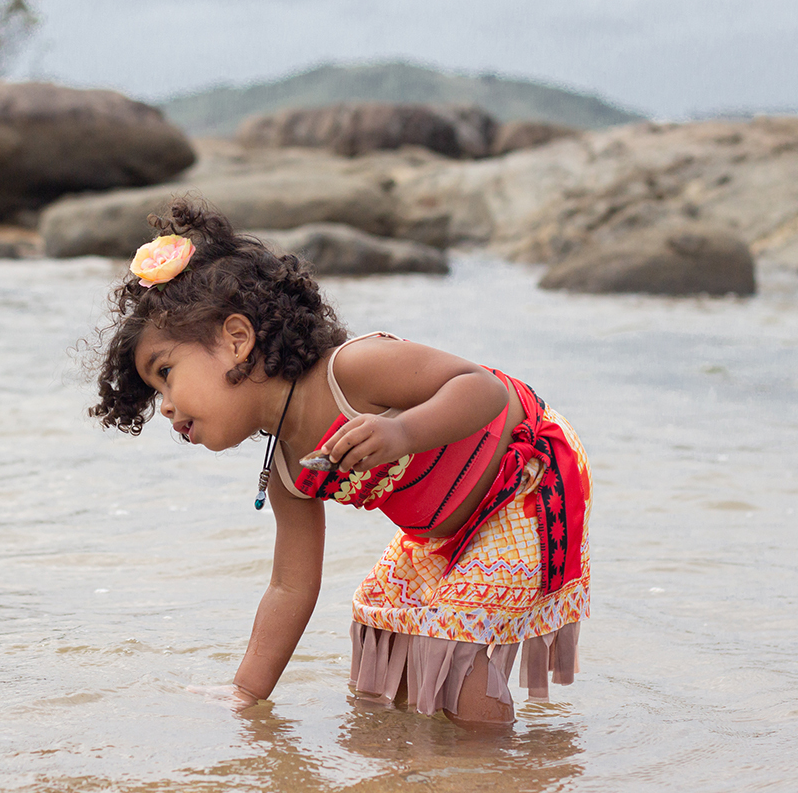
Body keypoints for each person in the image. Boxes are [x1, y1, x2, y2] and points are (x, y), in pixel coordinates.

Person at [88, 199, 592, 724]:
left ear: (238, 340)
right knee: (387, 650)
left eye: (166, 372)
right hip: (445, 529)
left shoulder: (352, 371)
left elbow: (482, 389)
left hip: (525, 480)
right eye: (154, 390)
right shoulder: (287, 469)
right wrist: (244, 694)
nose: (165, 405)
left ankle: (491, 771)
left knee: (458, 661)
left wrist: (402, 431)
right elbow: (290, 585)